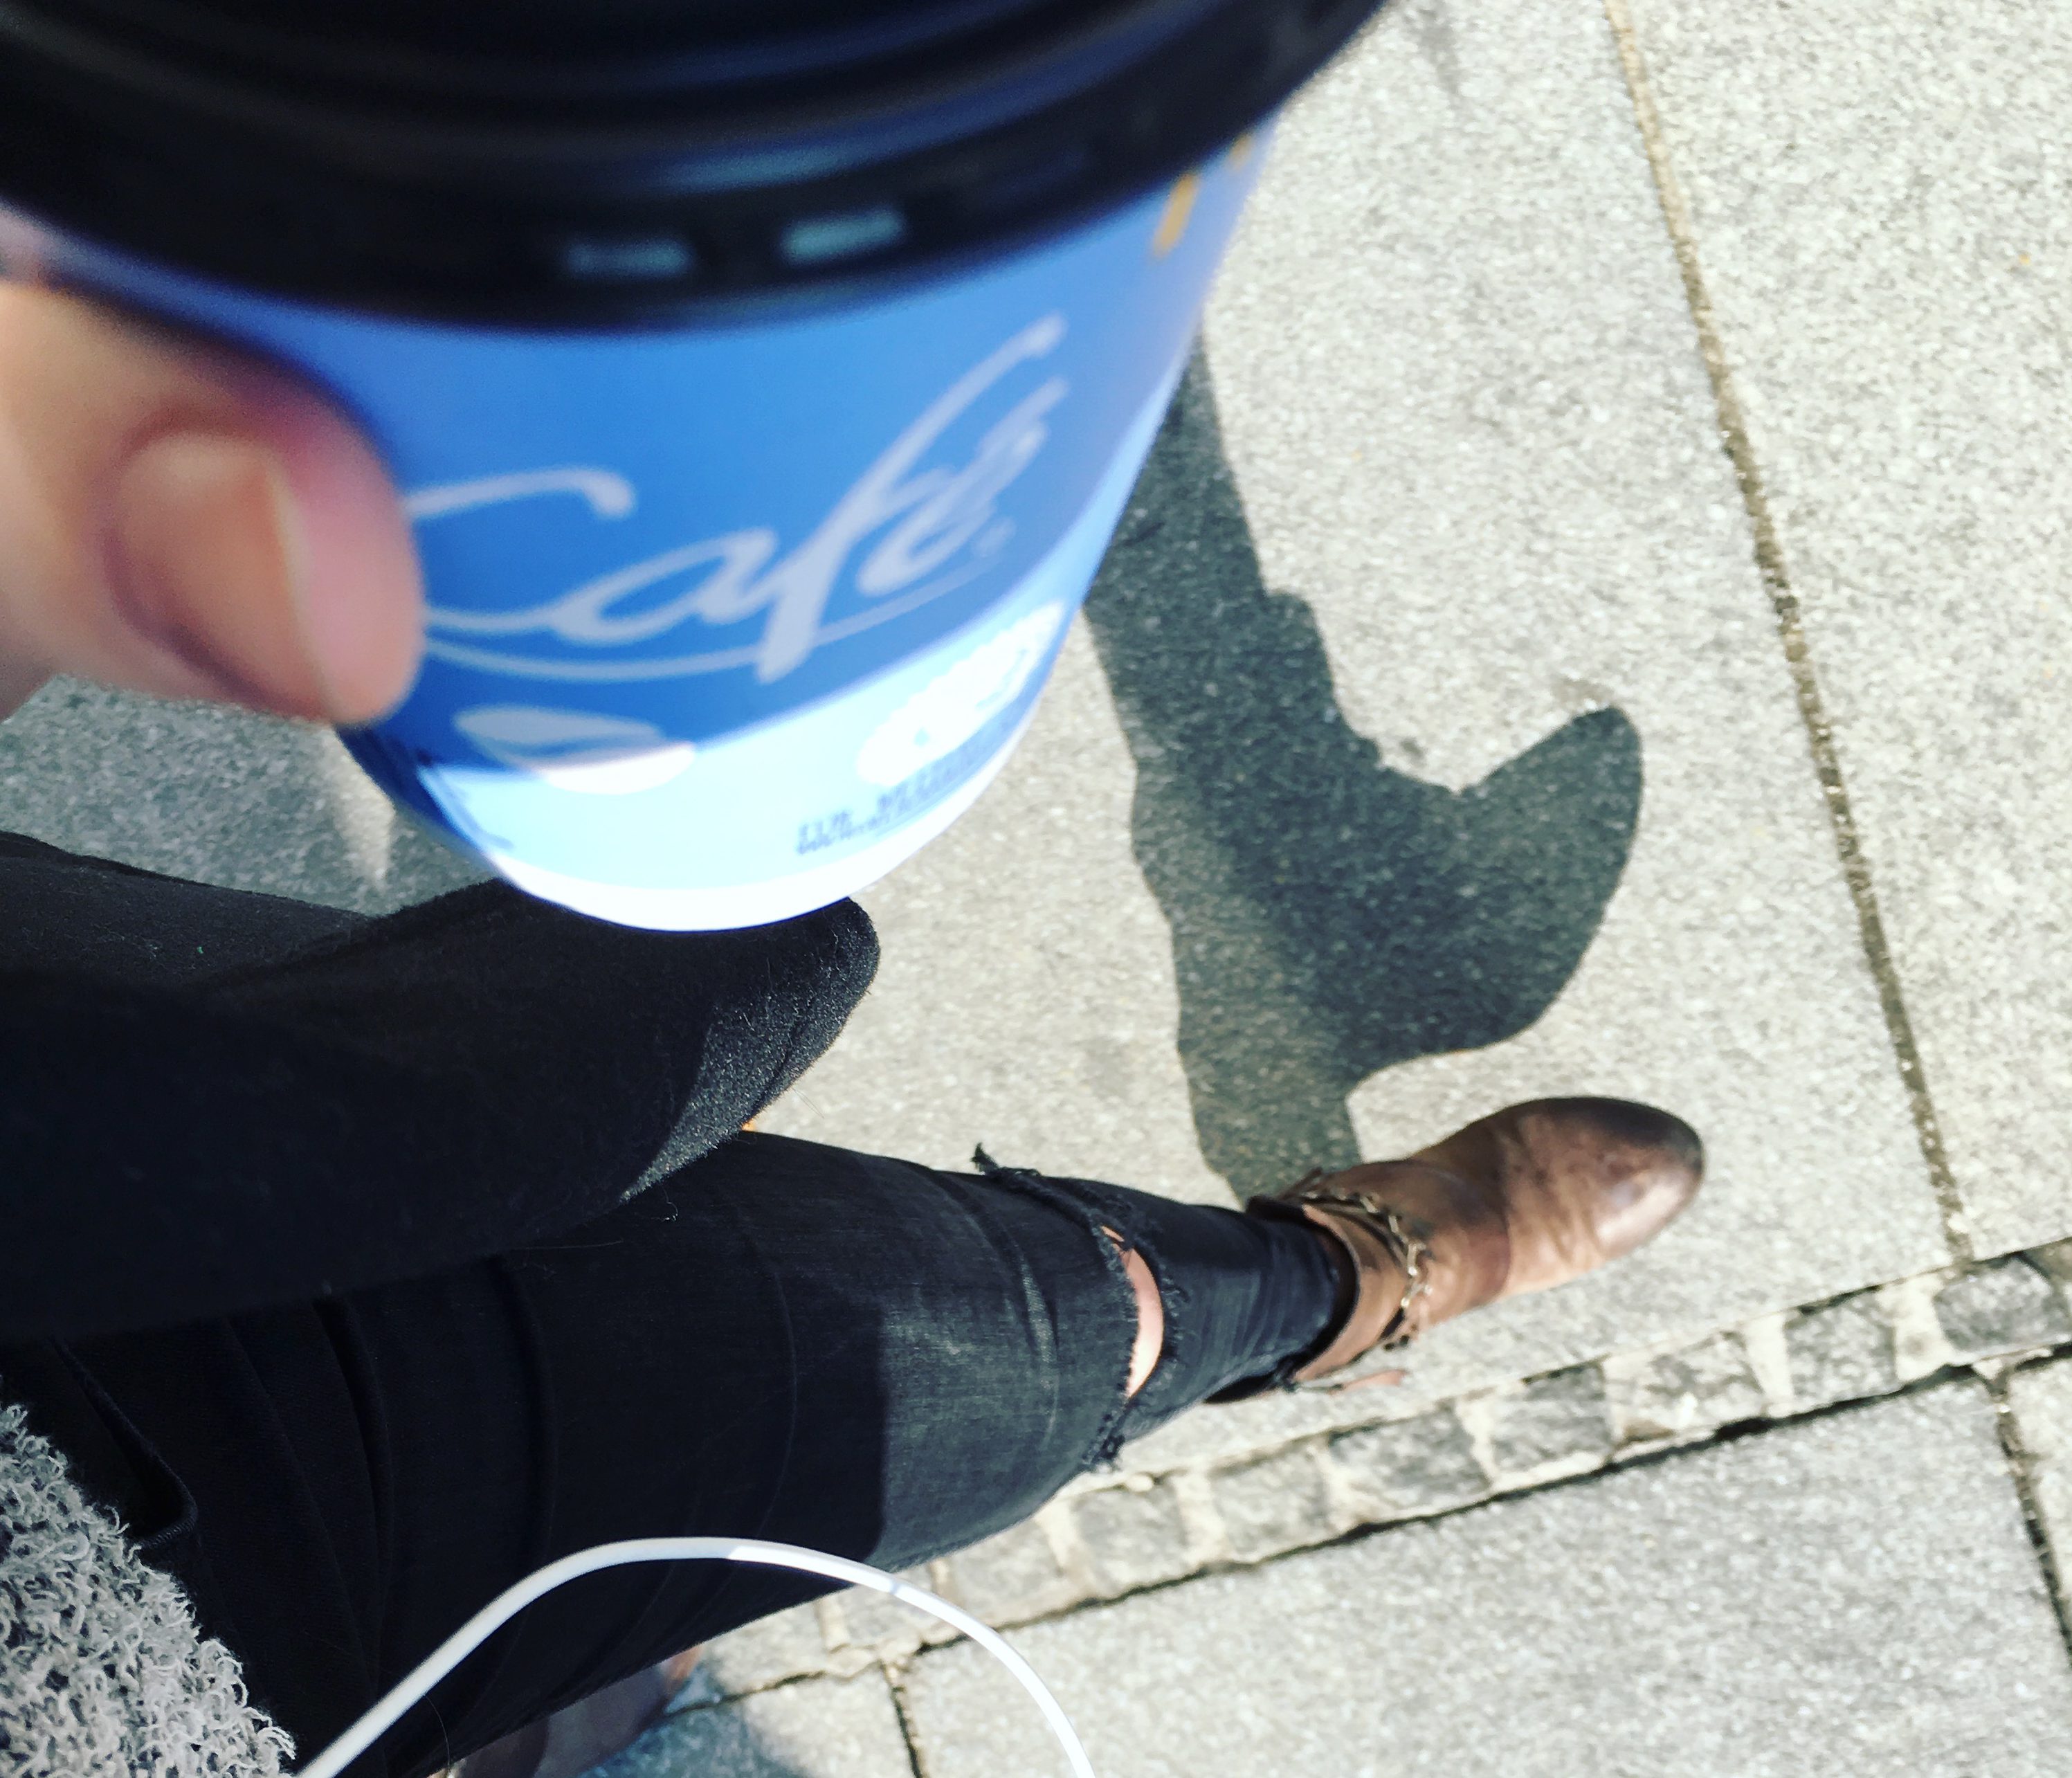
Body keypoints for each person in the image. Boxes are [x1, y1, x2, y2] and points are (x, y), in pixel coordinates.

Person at [0, 285, 1705, 1778]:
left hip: (68, 1226)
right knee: (1034, 1337)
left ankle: (546, 1680)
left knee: (497, 1070)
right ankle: (1340, 1284)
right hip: (214, 1642)